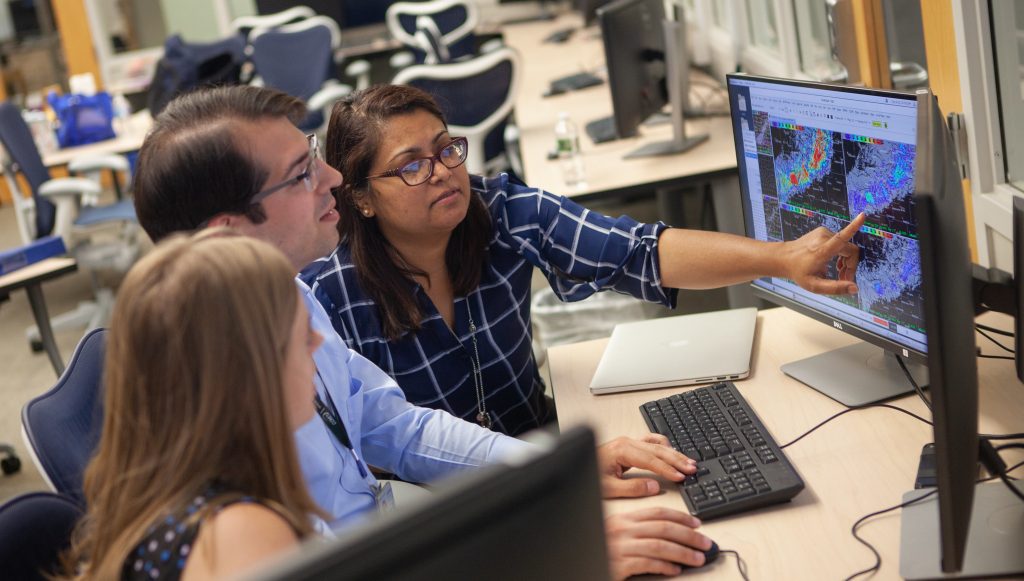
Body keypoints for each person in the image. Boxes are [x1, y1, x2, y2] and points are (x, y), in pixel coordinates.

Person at [131, 85, 716, 576]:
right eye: (301, 172)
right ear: (227, 234)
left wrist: (542, 482)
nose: (332, 176)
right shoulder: (220, 460)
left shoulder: (288, 297)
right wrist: (545, 556)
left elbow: (392, 425)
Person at [301, 84, 864, 437]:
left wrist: (781, 258)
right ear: (362, 198)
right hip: (439, 504)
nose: (444, 170)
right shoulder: (330, 296)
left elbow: (640, 250)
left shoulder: (501, 208)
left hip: (539, 446)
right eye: (411, 166)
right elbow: (368, 446)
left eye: (447, 149)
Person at [59, 233, 327, 580]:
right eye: (304, 333)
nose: (319, 342)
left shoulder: (160, 502)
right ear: (246, 374)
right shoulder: (241, 538)